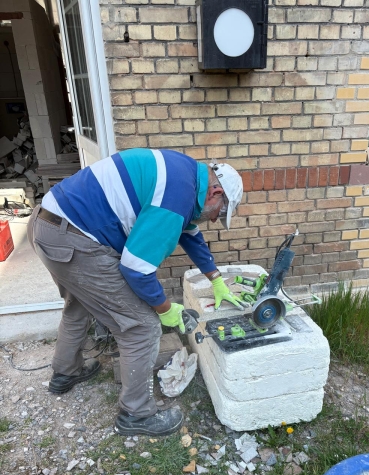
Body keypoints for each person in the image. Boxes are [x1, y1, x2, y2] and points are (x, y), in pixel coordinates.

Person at [27, 149, 246, 437]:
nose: (216, 219)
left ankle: (65, 372)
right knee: (141, 326)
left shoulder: (187, 175)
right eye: (221, 212)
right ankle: (136, 414)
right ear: (215, 193)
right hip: (75, 239)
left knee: (79, 304)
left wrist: (215, 278)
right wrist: (165, 309)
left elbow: (189, 231)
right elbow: (136, 269)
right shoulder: (176, 199)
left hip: (48, 225)